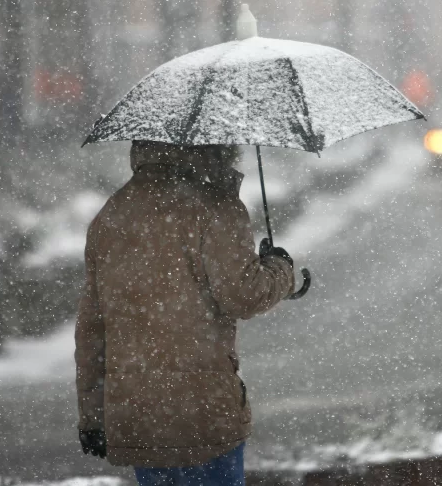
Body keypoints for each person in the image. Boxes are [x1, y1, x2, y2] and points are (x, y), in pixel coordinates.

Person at [75, 141, 294, 486]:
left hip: (139, 415)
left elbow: (92, 328)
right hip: (203, 412)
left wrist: (92, 416)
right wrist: (280, 268)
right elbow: (245, 295)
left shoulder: (112, 213)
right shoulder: (216, 207)